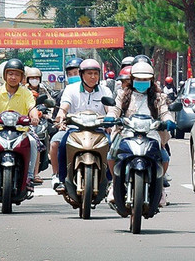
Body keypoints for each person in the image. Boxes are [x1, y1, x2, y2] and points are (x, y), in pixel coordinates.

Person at [106, 61, 175, 205]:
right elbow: (115, 109)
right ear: (132, 79)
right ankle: (114, 183)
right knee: (111, 155)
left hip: (151, 133)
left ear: (151, 80)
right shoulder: (123, 94)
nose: (142, 82)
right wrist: (111, 117)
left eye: (145, 79)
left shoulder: (158, 97)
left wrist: (168, 121)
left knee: (164, 157)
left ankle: (160, 187)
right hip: (127, 132)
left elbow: (165, 112)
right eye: (139, 79)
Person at [50, 58, 113, 192]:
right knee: (61, 145)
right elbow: (64, 107)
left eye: (96, 73)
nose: (93, 77)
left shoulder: (105, 91)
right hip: (74, 130)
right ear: (81, 74)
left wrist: (111, 120)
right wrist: (60, 116)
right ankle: (60, 178)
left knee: (112, 146)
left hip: (98, 130)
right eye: (89, 73)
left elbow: (110, 109)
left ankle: (111, 180)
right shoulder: (71, 89)